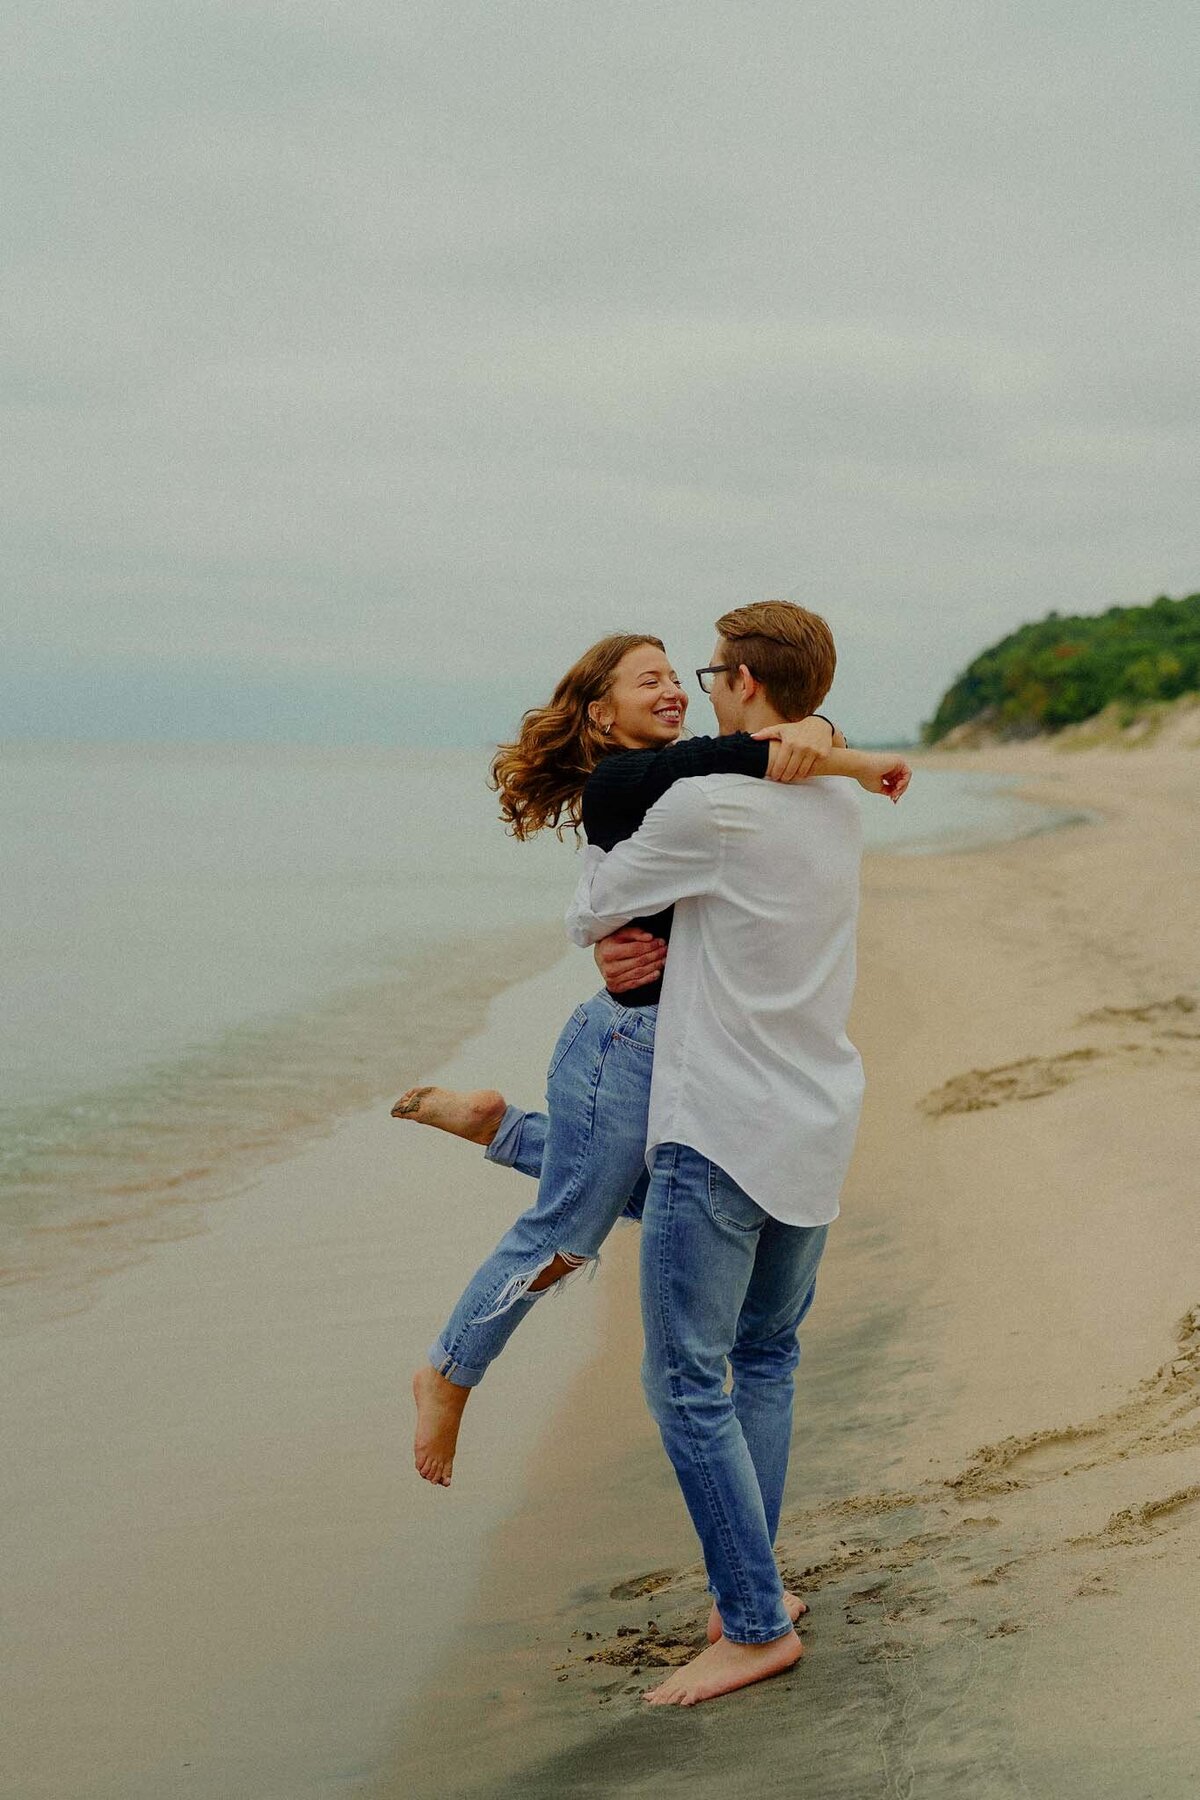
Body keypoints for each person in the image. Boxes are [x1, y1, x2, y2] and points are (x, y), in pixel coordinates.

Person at [395, 631, 909, 1496]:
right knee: (568, 1237)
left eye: (677, 676)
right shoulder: (629, 780)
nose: (674, 689)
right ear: (602, 714)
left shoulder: (695, 772)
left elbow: (754, 753)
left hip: (694, 1043)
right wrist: (836, 750)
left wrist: (819, 731)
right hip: (627, 1043)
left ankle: (507, 1130)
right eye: (650, 681)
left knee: (686, 1203)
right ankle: (449, 1371)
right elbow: (728, 764)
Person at [566, 600, 874, 1707]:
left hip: (724, 1125)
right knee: (766, 1357)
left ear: (743, 682)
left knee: (685, 1381)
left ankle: (752, 1624)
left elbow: (594, 905)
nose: (696, 692)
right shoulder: (838, 795)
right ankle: (754, 1587)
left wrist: (615, 938)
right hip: (816, 1117)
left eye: (706, 675)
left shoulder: (710, 806)